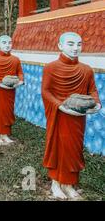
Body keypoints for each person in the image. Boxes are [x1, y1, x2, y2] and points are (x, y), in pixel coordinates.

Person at [42, 32, 101, 200]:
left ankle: (68, 185)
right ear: (60, 46)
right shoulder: (51, 68)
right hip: (59, 116)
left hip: (77, 118)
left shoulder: (86, 70)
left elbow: (93, 91)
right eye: (70, 44)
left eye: (79, 44)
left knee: (74, 150)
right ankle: (55, 184)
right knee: (59, 149)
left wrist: (96, 104)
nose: (75, 48)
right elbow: (46, 92)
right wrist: (60, 106)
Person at [0, 35, 24, 143]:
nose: (7, 45)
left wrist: (20, 81)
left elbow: (20, 73)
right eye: (4, 43)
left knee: (8, 112)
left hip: (10, 90)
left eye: (9, 43)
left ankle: (5, 135)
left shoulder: (15, 59)